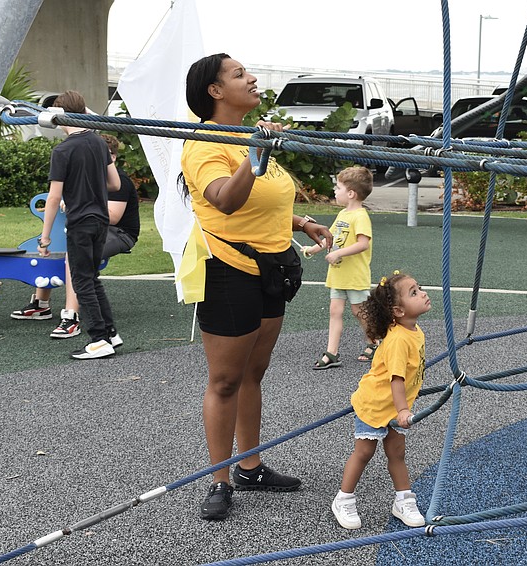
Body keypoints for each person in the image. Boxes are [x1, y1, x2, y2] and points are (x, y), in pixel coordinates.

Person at [180, 53, 333, 521]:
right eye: (239, 74)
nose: (253, 79)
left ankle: (250, 466)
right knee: (225, 380)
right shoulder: (205, 142)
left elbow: (260, 203)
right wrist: (257, 154)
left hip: (272, 269)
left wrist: (301, 222)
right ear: (215, 91)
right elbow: (226, 201)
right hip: (227, 270)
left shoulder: (251, 137)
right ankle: (220, 479)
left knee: (253, 374)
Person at [11, 133, 140, 339]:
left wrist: (79, 200)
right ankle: (41, 303)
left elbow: (114, 217)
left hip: (119, 233)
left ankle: (71, 317)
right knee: (61, 248)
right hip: (93, 226)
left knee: (77, 258)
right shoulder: (90, 178)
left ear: (113, 158)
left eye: (105, 156)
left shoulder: (119, 180)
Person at [331, 271, 431, 530]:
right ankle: (344, 499)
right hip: (376, 405)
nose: (422, 293)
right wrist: (403, 410)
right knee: (364, 452)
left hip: (396, 406)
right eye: (414, 292)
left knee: (397, 453)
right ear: (398, 311)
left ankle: (403, 500)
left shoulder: (414, 330)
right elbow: (396, 379)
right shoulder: (398, 339)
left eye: (418, 288)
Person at [35, 90, 122, 360]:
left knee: (82, 281)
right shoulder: (98, 143)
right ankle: (110, 333)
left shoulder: (62, 151)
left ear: (59, 116)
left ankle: (98, 339)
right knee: (91, 278)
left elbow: (53, 198)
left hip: (80, 222)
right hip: (100, 220)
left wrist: (45, 238)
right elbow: (115, 184)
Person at [301, 165, 376, 370]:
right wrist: (313, 249)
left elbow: (363, 243)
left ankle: (374, 342)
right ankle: (332, 353)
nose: (335, 190)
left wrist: (338, 253)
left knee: (359, 312)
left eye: (339, 188)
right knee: (335, 311)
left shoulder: (360, 216)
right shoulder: (343, 214)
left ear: (351, 193)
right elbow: (330, 239)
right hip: (338, 275)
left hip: (354, 275)